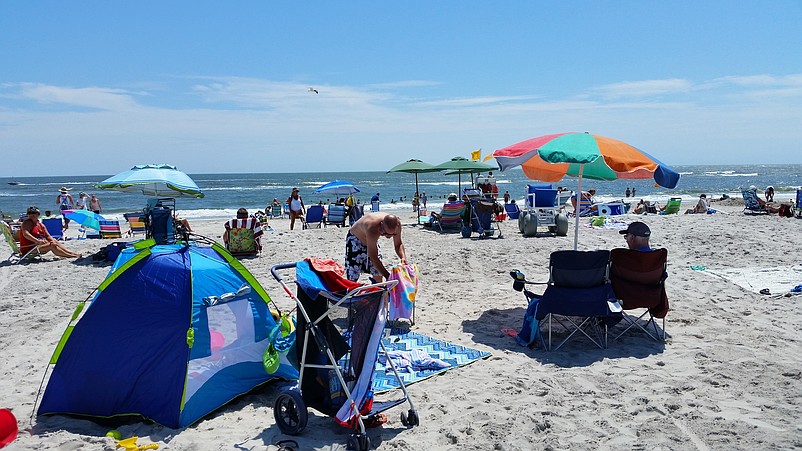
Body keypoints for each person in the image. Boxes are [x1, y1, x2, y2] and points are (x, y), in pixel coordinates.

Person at [345, 212, 407, 282]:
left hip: (371, 240)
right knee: (353, 275)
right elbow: (373, 258)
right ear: (382, 225)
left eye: (393, 234)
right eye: (386, 233)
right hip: (355, 239)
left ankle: (378, 291)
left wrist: (403, 257)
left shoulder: (397, 225)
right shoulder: (373, 228)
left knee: (378, 273)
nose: (389, 236)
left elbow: (398, 244)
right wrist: (388, 276)